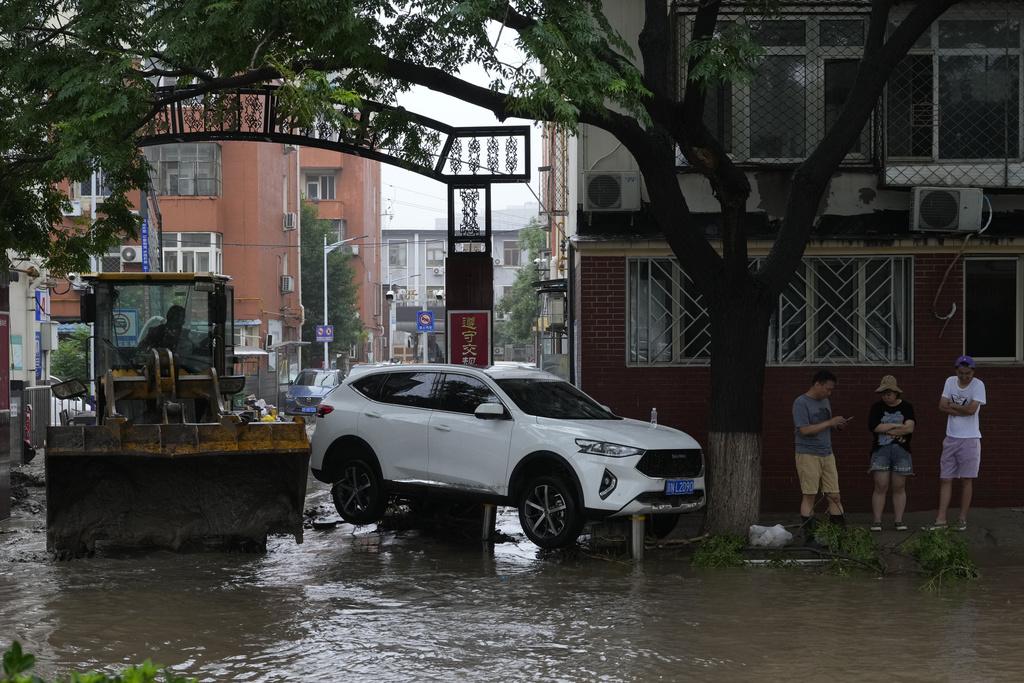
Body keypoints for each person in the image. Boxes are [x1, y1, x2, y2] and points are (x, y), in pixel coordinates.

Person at [793, 370, 852, 534]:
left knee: (834, 495)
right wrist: (829, 422)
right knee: (809, 494)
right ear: (817, 384)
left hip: (827, 452)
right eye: (827, 388)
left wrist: (836, 425)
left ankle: (838, 535)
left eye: (831, 390)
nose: (829, 393)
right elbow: (804, 430)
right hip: (808, 454)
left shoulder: (825, 401)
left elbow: (824, 425)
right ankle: (810, 537)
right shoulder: (801, 402)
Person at [932, 355, 986, 531]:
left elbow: (972, 410)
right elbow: (941, 406)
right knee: (945, 478)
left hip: (970, 438)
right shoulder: (950, 381)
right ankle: (941, 519)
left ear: (973, 371)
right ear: (956, 371)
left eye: (968, 373)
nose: (964, 377)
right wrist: (962, 409)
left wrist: (953, 407)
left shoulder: (978, 385)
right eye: (961, 373)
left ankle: (962, 519)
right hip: (951, 437)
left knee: (966, 480)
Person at [867, 375, 916, 532]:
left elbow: (909, 428)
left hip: (901, 450)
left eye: (889, 393)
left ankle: (899, 520)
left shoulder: (907, 407)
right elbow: (875, 427)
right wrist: (896, 425)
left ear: (896, 393)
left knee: (899, 486)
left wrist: (886, 427)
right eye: (883, 393)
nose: (886, 396)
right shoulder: (876, 407)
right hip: (881, 450)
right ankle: (877, 520)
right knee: (880, 485)